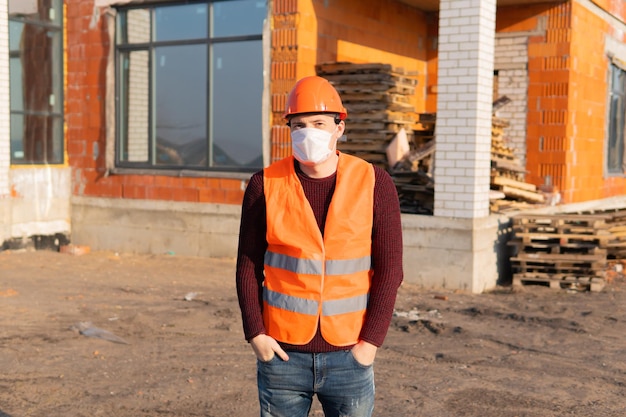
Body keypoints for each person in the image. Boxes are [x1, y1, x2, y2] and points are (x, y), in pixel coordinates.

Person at [236, 75, 404, 417]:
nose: (307, 132)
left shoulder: (374, 182)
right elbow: (247, 266)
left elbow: (390, 270)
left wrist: (369, 345)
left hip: (349, 355)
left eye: (318, 123)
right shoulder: (264, 185)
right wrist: (256, 334)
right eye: (298, 125)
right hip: (282, 355)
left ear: (339, 128)